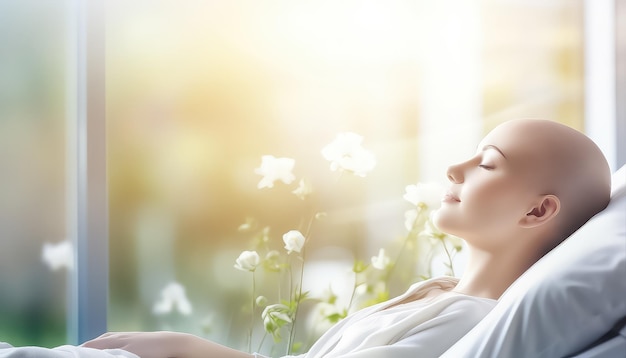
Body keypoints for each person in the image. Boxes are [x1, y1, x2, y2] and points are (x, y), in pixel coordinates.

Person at [81, 119, 612, 358]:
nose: (456, 167)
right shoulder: (441, 293)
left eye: (488, 164)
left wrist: (186, 348)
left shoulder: (470, 321)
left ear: (538, 210)